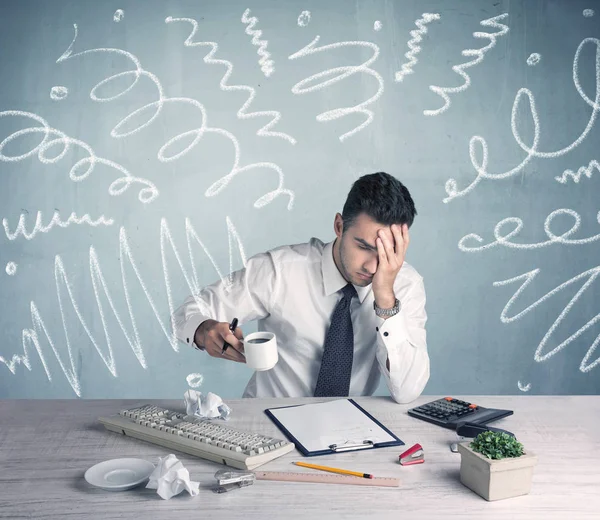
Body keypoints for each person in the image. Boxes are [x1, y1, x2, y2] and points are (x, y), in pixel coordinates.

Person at [173, 172, 429, 403]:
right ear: (339, 226)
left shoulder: (405, 285)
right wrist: (203, 330)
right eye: (363, 247)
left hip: (350, 431)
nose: (373, 267)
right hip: (267, 422)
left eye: (388, 251)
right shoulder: (281, 271)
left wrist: (385, 300)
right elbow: (190, 310)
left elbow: (407, 391)